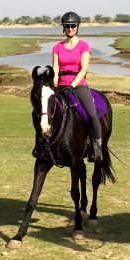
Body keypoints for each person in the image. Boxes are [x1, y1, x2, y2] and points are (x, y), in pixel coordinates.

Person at [52, 11, 103, 163]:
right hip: (61, 85)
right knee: (44, 112)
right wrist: (55, 86)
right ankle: (42, 145)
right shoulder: (57, 47)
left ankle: (97, 146)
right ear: (63, 27)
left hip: (78, 85)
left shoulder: (84, 46)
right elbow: (55, 69)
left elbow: (83, 69)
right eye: (67, 26)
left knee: (91, 114)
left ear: (77, 27)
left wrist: (72, 85)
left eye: (73, 25)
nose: (70, 28)